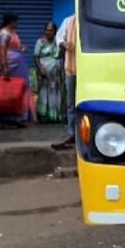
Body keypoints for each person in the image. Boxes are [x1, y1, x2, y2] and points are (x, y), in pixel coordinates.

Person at [0, 14, 31, 128]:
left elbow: (15, 46)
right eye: (15, 22)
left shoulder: (12, 33)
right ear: (10, 22)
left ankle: (17, 117)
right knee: (8, 92)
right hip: (10, 66)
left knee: (19, 90)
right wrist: (4, 67)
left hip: (18, 66)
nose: (17, 24)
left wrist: (21, 49)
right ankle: (6, 119)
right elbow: (2, 50)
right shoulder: (4, 34)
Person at [52, 14, 78, 150]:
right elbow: (59, 38)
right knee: (71, 103)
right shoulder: (68, 21)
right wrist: (64, 44)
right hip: (71, 68)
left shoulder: (90, 20)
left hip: (90, 70)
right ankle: (71, 133)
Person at [34, 22, 63, 122]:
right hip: (44, 73)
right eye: (47, 30)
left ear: (55, 32)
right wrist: (40, 69)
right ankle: (43, 116)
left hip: (55, 74)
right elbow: (36, 57)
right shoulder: (40, 42)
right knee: (43, 93)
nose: (48, 32)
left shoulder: (58, 42)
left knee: (55, 93)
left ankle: (54, 116)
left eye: (51, 30)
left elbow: (61, 55)